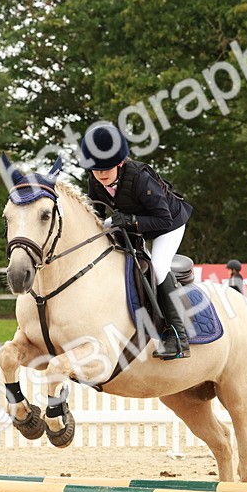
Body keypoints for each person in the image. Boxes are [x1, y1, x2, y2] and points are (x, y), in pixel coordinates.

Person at [79, 122, 194, 359]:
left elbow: (162, 219)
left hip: (169, 224)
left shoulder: (141, 179)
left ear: (120, 163)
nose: (101, 174)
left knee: (158, 267)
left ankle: (178, 336)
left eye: (106, 168)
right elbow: (95, 218)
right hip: (133, 224)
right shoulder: (95, 181)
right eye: (95, 169)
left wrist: (130, 220)